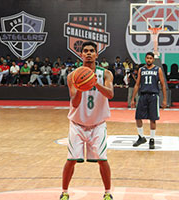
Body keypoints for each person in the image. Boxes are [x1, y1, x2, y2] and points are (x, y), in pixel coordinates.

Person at [60, 41, 114, 200]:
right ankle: (64, 192)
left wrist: (94, 82)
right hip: (77, 124)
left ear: (97, 54)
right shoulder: (73, 76)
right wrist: (82, 87)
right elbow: (75, 103)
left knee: (102, 160)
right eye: (85, 51)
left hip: (98, 124)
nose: (88, 53)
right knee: (71, 160)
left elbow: (110, 94)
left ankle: (108, 193)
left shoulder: (105, 74)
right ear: (81, 54)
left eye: (92, 51)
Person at [131, 52, 167, 149]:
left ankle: (152, 139)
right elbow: (137, 84)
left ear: (153, 59)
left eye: (151, 58)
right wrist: (133, 98)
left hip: (153, 96)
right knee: (138, 117)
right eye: (147, 58)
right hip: (143, 95)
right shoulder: (141, 69)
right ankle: (141, 137)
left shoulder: (158, 69)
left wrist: (165, 100)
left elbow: (163, 85)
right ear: (145, 59)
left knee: (153, 119)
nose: (149, 60)